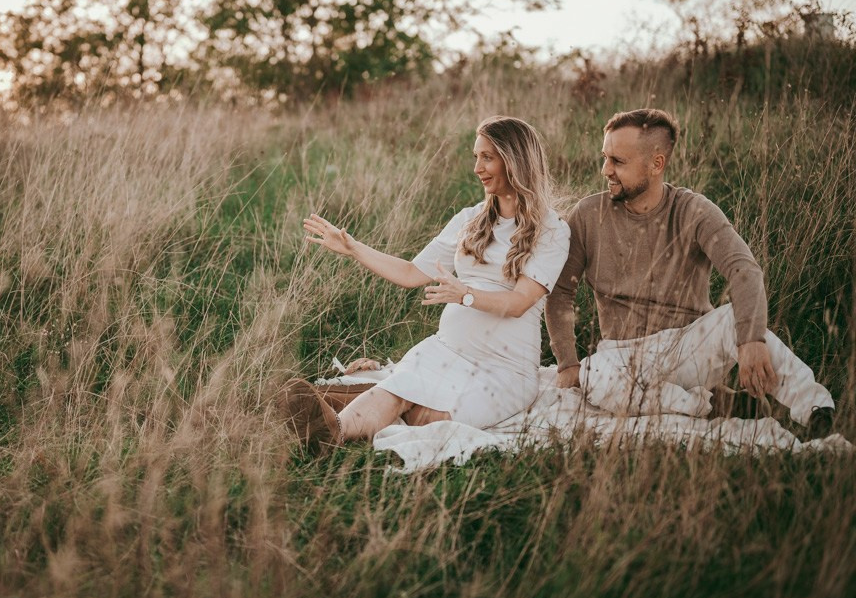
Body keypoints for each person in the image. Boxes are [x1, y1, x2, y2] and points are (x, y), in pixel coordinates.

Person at [545, 108, 836, 438]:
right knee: (594, 376)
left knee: (734, 320)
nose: (605, 170)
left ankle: (817, 412)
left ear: (657, 164)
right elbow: (560, 292)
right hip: (622, 355)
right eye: (605, 158)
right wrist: (568, 363)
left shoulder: (694, 210)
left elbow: (744, 269)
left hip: (690, 346)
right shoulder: (587, 214)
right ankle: (709, 404)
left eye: (618, 161)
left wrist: (751, 338)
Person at [289, 116, 571, 452]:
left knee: (429, 418)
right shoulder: (469, 219)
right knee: (399, 392)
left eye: (487, 157)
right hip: (445, 351)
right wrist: (353, 248)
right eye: (476, 157)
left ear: (515, 161)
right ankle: (332, 432)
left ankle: (350, 401)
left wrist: (465, 295)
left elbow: (520, 302)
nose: (477, 168)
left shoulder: (552, 230)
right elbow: (411, 273)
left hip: (505, 371)